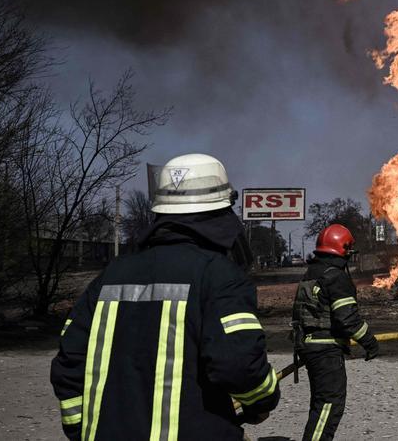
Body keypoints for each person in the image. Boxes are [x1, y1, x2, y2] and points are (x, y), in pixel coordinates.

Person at [50, 153, 280, 440]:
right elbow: (238, 364)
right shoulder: (219, 275)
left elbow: (70, 360)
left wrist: (79, 427)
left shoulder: (111, 276)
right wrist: (263, 398)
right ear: (220, 213)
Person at [292, 223, 379, 441]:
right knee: (329, 406)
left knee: (320, 403)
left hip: (308, 346)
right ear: (343, 249)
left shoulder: (311, 273)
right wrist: (369, 342)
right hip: (325, 350)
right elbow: (347, 319)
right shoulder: (336, 277)